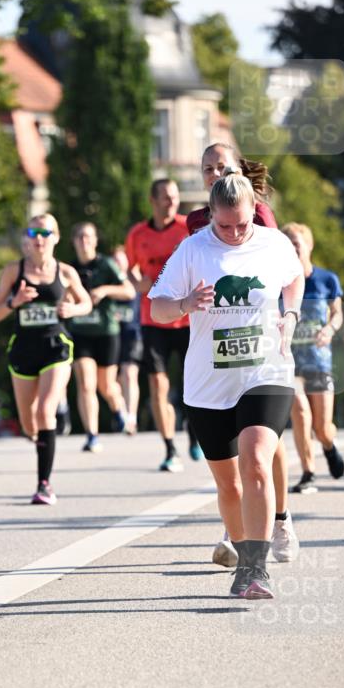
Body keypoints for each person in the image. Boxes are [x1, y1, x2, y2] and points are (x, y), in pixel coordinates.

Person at [150, 169, 304, 599]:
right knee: (228, 485)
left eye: (244, 223)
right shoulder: (193, 250)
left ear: (255, 210)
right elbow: (158, 308)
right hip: (208, 384)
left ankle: (255, 570)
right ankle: (241, 552)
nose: (236, 233)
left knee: (255, 460)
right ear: (210, 215)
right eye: (225, 225)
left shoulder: (272, 243)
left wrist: (290, 316)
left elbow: (294, 278)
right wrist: (183, 304)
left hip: (266, 371)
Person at [188, 143, 299, 564]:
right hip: (216, 341)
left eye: (223, 166)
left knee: (263, 442)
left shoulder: (260, 215)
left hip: (263, 344)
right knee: (234, 450)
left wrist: (289, 315)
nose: (215, 173)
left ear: (239, 171)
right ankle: (239, 525)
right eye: (208, 168)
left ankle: (279, 519)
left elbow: (285, 270)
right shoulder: (196, 221)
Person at [0, 213, 91, 505]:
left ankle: (44, 484)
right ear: (27, 239)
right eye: (34, 232)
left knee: (46, 411)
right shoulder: (13, 271)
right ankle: (42, 432)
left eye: (45, 233)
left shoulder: (66, 272)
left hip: (55, 347)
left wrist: (72, 311)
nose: (39, 238)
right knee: (29, 423)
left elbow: (85, 302)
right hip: (23, 350)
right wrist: (14, 302)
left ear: (56, 238)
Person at [126, 178, 202, 471]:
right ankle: (170, 447)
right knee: (157, 384)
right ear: (153, 200)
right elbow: (129, 268)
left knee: (191, 386)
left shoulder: (188, 229)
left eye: (174, 197)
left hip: (186, 320)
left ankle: (194, 436)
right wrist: (138, 283)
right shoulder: (138, 234)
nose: (172, 202)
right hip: (153, 319)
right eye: (166, 197)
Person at [282, 223, 344, 493]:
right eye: (288, 244)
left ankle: (328, 446)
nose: (293, 248)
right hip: (291, 361)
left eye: (297, 242)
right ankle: (308, 472)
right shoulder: (280, 282)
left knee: (321, 428)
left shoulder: (327, 279)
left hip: (319, 361)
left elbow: (337, 313)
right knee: (299, 412)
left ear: (309, 245)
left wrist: (330, 329)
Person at [68, 222, 135, 451]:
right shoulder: (70, 269)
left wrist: (104, 290)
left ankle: (118, 409)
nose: (84, 241)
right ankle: (91, 435)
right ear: (73, 241)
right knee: (86, 383)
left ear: (95, 240)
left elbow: (129, 291)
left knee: (106, 386)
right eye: (79, 237)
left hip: (106, 332)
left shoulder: (106, 265)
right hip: (80, 332)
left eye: (88, 236)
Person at [113, 246, 143, 435]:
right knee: (113, 380)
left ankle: (131, 418)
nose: (118, 263)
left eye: (121, 259)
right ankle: (121, 412)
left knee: (129, 373)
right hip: (113, 335)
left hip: (133, 333)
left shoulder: (136, 281)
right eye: (114, 260)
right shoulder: (107, 283)